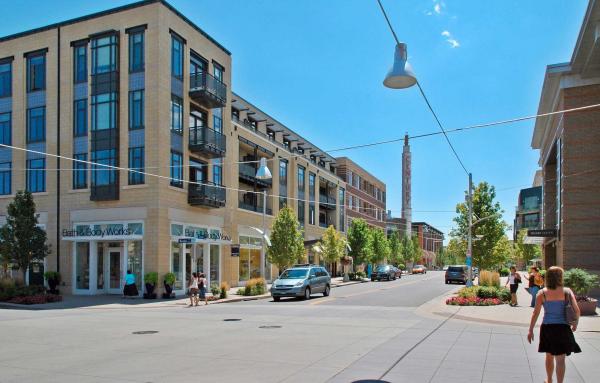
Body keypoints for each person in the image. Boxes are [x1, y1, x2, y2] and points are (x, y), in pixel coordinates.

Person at [528, 266, 581, 383]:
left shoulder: (542, 293)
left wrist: (530, 330)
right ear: (560, 277)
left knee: (549, 356)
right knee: (561, 360)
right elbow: (577, 310)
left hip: (548, 328)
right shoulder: (567, 291)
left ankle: (549, 380)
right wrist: (575, 323)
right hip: (563, 328)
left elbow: (535, 313)